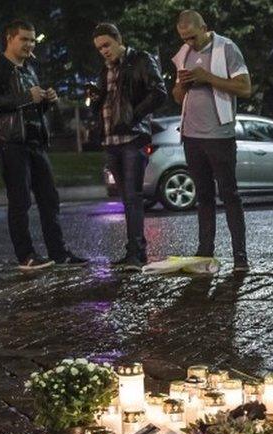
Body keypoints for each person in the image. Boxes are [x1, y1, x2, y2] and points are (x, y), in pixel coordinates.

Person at [0, 19, 87, 270]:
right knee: (20, 201)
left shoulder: (29, 69)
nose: (29, 44)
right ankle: (26, 256)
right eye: (24, 39)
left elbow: (32, 108)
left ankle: (58, 253)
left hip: (35, 142)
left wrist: (47, 101)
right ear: (9, 39)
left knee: (50, 198)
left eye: (32, 39)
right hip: (11, 142)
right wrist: (27, 97)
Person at [171, 10, 252, 271]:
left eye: (192, 37)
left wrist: (208, 78)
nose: (189, 43)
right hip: (192, 136)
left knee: (230, 194)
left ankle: (240, 254)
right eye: (184, 38)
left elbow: (245, 87)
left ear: (205, 28)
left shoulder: (227, 48)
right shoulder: (183, 54)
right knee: (203, 195)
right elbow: (176, 97)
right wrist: (182, 85)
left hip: (220, 135)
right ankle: (205, 250)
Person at [90, 22, 167, 271]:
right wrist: (94, 99)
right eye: (99, 48)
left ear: (118, 39)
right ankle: (133, 251)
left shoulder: (140, 59)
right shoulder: (104, 70)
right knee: (126, 198)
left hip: (132, 139)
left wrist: (134, 115)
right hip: (110, 142)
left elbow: (159, 92)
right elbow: (103, 103)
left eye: (106, 45)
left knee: (133, 198)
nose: (103, 51)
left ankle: (137, 253)